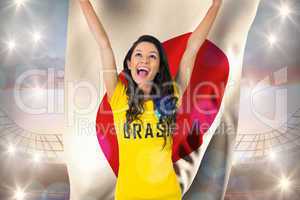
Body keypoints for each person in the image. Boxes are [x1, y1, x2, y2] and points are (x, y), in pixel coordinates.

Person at [78, 0, 222, 199]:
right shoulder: (118, 96)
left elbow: (192, 49)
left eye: (152, 56)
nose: (144, 59)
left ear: (158, 66)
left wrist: (215, 6)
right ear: (129, 63)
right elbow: (103, 43)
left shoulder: (171, 96)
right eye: (138, 54)